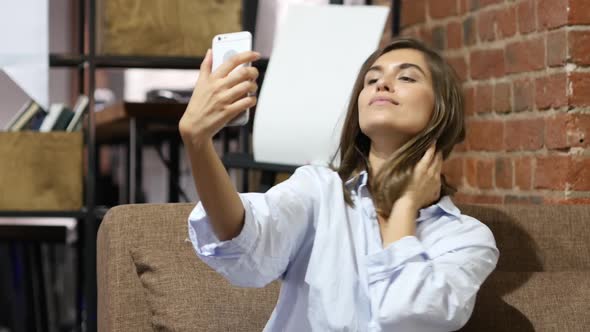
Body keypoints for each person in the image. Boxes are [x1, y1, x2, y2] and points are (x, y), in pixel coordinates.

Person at [178, 37, 499, 332]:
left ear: (441, 109)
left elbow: (406, 313)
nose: (383, 84)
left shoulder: (466, 239)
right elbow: (246, 240)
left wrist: (404, 208)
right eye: (371, 80)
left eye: (406, 77)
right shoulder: (319, 189)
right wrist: (198, 143)